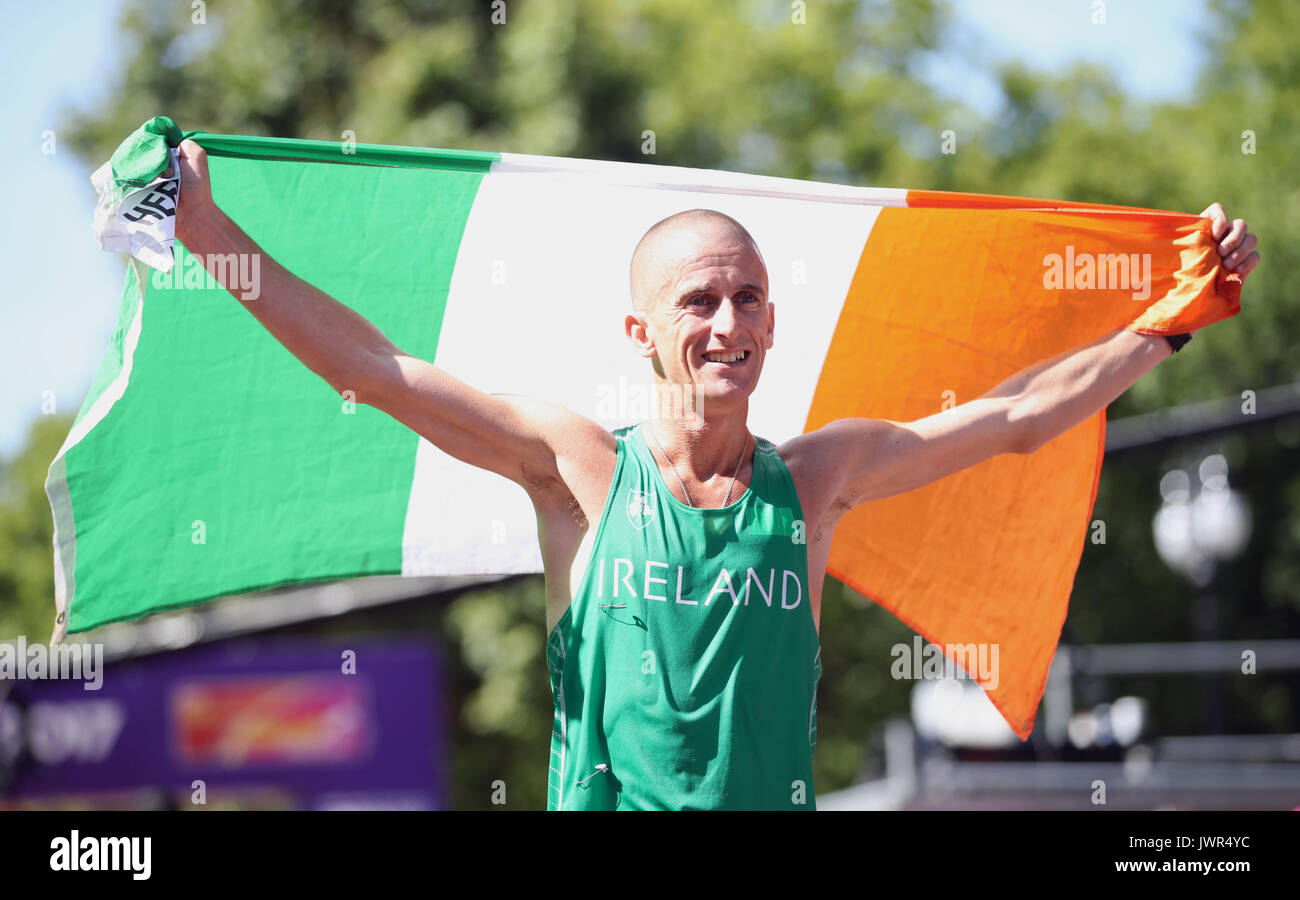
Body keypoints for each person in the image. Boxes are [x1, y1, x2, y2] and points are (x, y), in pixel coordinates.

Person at [172, 139, 1259, 810]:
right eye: (697, 301)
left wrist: (1165, 327)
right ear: (641, 328)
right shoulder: (576, 469)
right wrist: (208, 230)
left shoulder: (821, 477)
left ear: (773, 322)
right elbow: (377, 370)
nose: (725, 323)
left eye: (745, 299)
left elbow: (1016, 416)